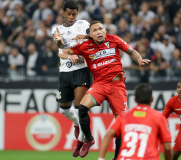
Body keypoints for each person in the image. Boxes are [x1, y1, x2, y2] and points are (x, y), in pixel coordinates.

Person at [59, 21, 151, 158]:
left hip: (117, 86)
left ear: (105, 30)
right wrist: (70, 56)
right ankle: (89, 139)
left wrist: (139, 59)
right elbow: (62, 52)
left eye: (101, 29)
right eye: (95, 30)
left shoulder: (113, 39)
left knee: (120, 123)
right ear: (90, 34)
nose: (99, 32)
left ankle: (116, 157)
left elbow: (131, 51)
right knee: (82, 108)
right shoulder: (85, 45)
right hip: (99, 84)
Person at [52, 0, 91, 157]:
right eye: (68, 13)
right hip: (64, 71)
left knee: (80, 108)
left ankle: (81, 141)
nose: (71, 16)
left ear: (77, 13)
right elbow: (60, 47)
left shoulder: (83, 24)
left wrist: (87, 35)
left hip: (81, 70)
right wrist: (60, 42)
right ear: (63, 13)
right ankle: (76, 124)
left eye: (74, 13)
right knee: (64, 109)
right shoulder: (57, 29)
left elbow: (97, 36)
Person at [98, 83, 172, 160]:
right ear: (152, 99)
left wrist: (101, 158)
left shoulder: (124, 116)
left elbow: (107, 136)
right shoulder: (159, 117)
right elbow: (167, 147)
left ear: (135, 100)